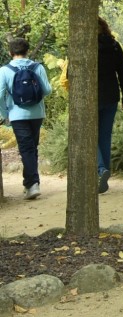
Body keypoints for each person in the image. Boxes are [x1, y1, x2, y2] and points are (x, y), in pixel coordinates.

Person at [0, 37, 53, 200]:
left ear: (10, 52)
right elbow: (48, 90)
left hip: (17, 115)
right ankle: (29, 182)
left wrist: (5, 113)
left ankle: (32, 184)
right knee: (32, 148)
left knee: (26, 148)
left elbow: (0, 95)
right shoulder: (38, 67)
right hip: (37, 114)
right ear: (27, 51)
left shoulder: (4, 70)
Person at [97, 18, 123, 194]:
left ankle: (101, 170)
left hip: (91, 97)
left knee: (89, 135)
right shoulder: (114, 46)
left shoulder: (84, 47)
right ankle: (104, 172)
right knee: (104, 136)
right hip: (111, 96)